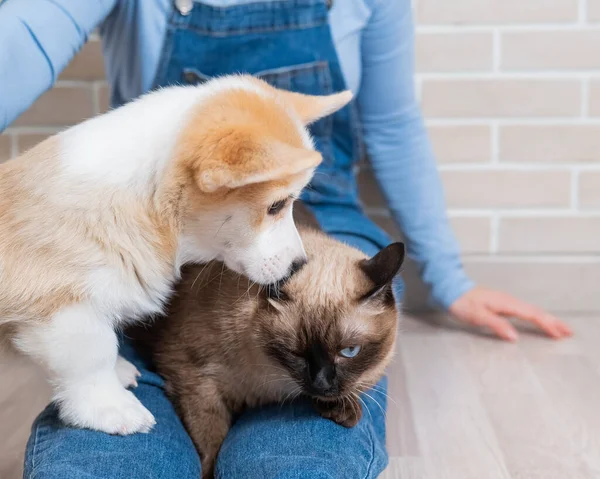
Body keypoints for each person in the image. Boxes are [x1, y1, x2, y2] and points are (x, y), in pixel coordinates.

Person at [0, 1, 573, 478]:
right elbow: (17, 45)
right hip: (181, 236)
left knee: (294, 463)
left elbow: (394, 125)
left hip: (322, 222)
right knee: (99, 458)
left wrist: (450, 278)